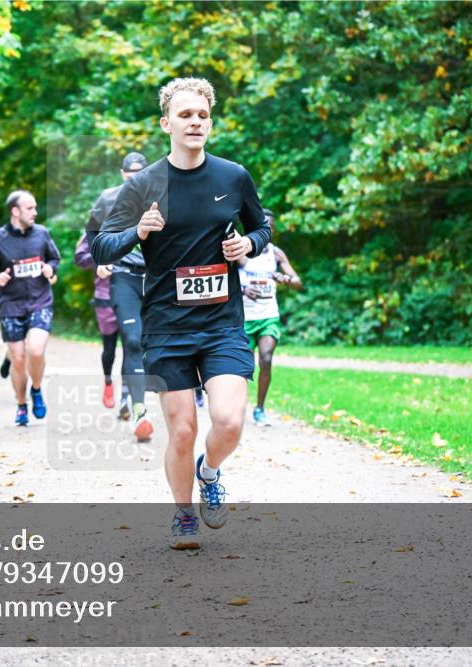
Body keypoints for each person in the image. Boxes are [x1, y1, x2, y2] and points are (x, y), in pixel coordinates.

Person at [92, 77, 271, 548]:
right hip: (167, 325)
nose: (195, 122)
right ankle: (183, 514)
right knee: (184, 427)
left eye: (203, 115)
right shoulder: (145, 184)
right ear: (165, 122)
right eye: (186, 115)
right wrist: (139, 231)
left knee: (229, 420)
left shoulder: (233, 177)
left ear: (210, 121)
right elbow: (100, 246)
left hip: (221, 323)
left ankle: (209, 473)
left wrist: (247, 244)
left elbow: (262, 225)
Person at [0, 190, 61, 427]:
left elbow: (55, 260)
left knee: (35, 351)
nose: (35, 212)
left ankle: (36, 389)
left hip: (39, 301)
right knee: (18, 358)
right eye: (30, 208)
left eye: (35, 208)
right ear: (15, 211)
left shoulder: (42, 234)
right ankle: (22, 405)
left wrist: (49, 269)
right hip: (11, 306)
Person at [84, 151, 153, 439]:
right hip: (123, 277)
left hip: (156, 279)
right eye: (129, 176)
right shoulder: (108, 198)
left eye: (139, 174)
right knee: (133, 341)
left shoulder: (163, 195)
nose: (134, 180)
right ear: (122, 175)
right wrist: (100, 259)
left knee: (158, 343)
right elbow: (91, 231)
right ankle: (139, 410)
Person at [239, 208, 302, 426]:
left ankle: (260, 409)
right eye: (263, 225)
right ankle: (238, 408)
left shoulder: (275, 253)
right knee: (243, 367)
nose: (267, 229)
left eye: (271, 227)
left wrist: (283, 278)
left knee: (266, 358)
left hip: (268, 316)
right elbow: (224, 281)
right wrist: (243, 290)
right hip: (245, 318)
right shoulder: (242, 252)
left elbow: (297, 282)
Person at [74, 233, 125, 411]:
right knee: (109, 349)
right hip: (105, 298)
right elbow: (80, 259)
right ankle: (108, 382)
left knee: (132, 346)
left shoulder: (135, 227)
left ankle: (126, 396)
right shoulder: (92, 234)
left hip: (131, 297)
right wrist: (100, 260)